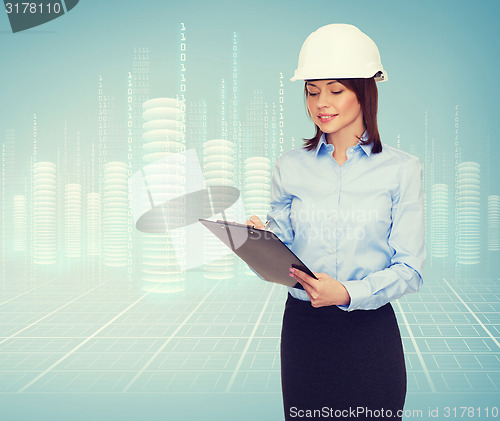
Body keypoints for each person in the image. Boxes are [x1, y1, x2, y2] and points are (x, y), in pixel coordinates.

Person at [246, 24, 425, 420]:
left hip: (369, 336)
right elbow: (287, 244)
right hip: (304, 332)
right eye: (311, 91)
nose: (320, 103)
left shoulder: (402, 169)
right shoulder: (289, 166)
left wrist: (345, 293)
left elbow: (410, 269)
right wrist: (262, 242)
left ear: (364, 91)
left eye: (335, 90)